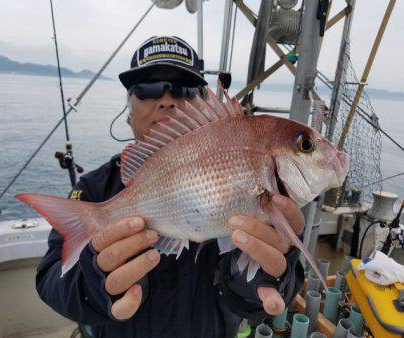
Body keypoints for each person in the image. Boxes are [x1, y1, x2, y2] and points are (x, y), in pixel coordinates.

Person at [36, 36, 304, 338]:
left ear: (202, 102)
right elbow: (50, 278)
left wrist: (263, 276)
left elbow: (269, 291)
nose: (167, 100)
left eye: (183, 89)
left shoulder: (248, 178)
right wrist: (95, 283)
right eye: (147, 88)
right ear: (128, 108)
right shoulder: (95, 189)